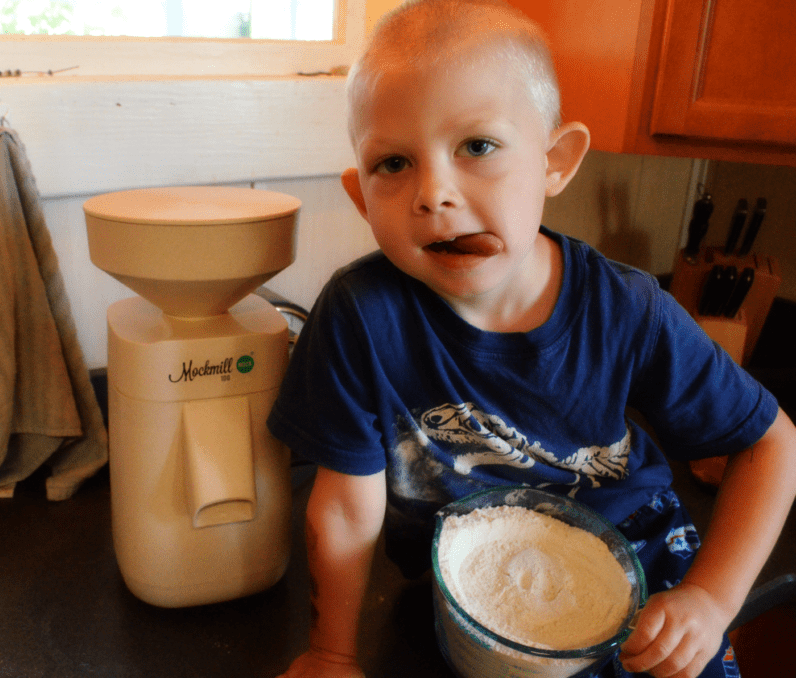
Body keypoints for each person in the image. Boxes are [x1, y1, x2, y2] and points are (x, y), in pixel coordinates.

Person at [266, 1, 796, 677]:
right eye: (393, 164)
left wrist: (711, 600)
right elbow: (344, 507)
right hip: (463, 587)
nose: (434, 194)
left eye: (477, 146)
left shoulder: (627, 309)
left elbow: (771, 442)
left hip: (634, 550)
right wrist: (331, 652)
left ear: (555, 161)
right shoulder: (358, 315)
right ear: (361, 196)